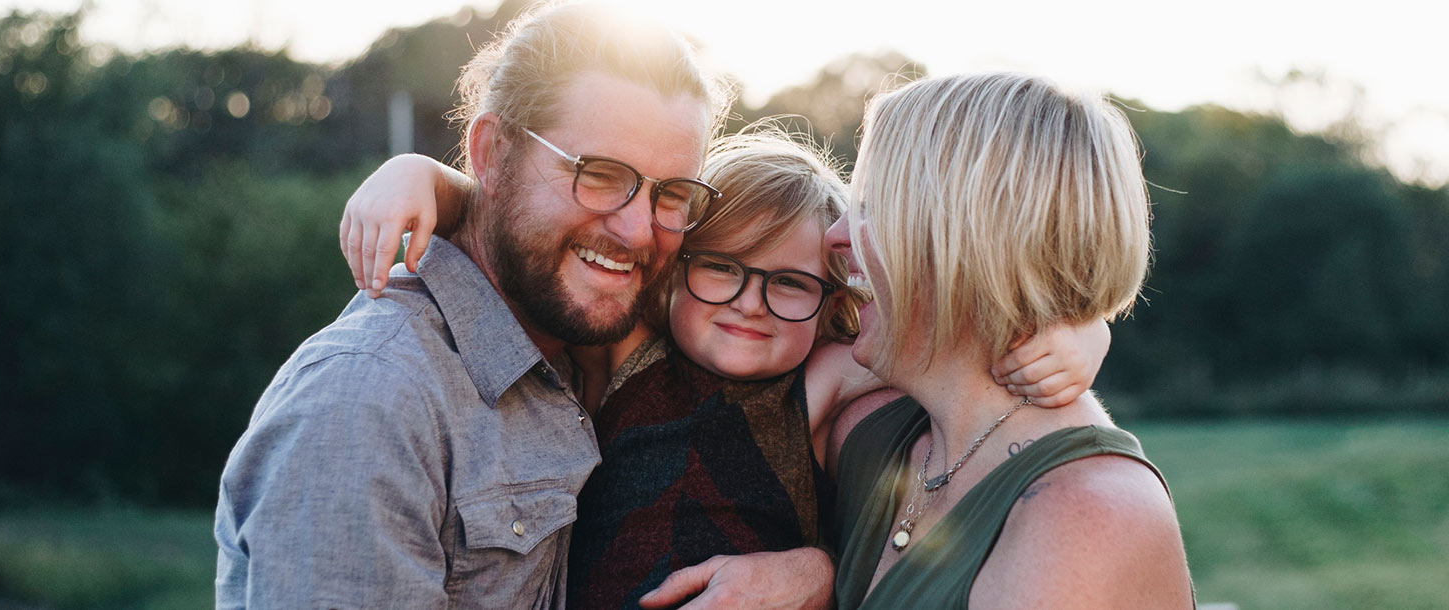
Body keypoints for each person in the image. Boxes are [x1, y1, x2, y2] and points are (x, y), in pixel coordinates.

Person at [339, 124, 1111, 609]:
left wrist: (1082, 332)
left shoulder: (821, 377)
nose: (750, 304)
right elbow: (546, 242)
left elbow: (958, 335)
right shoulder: (622, 347)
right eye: (723, 269)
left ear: (830, 296)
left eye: (789, 285)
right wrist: (427, 175)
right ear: (677, 264)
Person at [212, 3, 734, 608]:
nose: (640, 231)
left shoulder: (578, 348)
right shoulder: (372, 401)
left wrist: (812, 570)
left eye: (672, 193)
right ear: (489, 153)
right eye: (598, 174)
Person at [823, 72, 1194, 609]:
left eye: (872, 208)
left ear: (972, 241)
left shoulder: (1086, 520)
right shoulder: (871, 438)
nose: (835, 235)